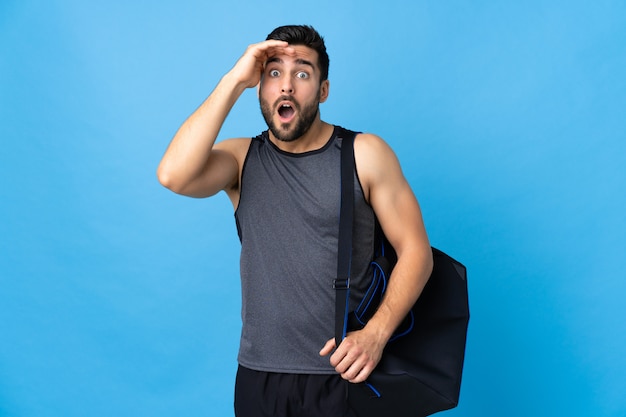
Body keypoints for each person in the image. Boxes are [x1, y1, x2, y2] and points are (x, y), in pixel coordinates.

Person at [157, 25, 433, 417]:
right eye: (274, 73)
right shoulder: (241, 161)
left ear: (322, 91)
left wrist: (376, 334)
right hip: (259, 377)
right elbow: (173, 175)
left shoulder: (364, 154)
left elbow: (416, 251)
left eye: (302, 73)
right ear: (259, 87)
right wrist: (233, 80)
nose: (286, 86)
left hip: (345, 375)